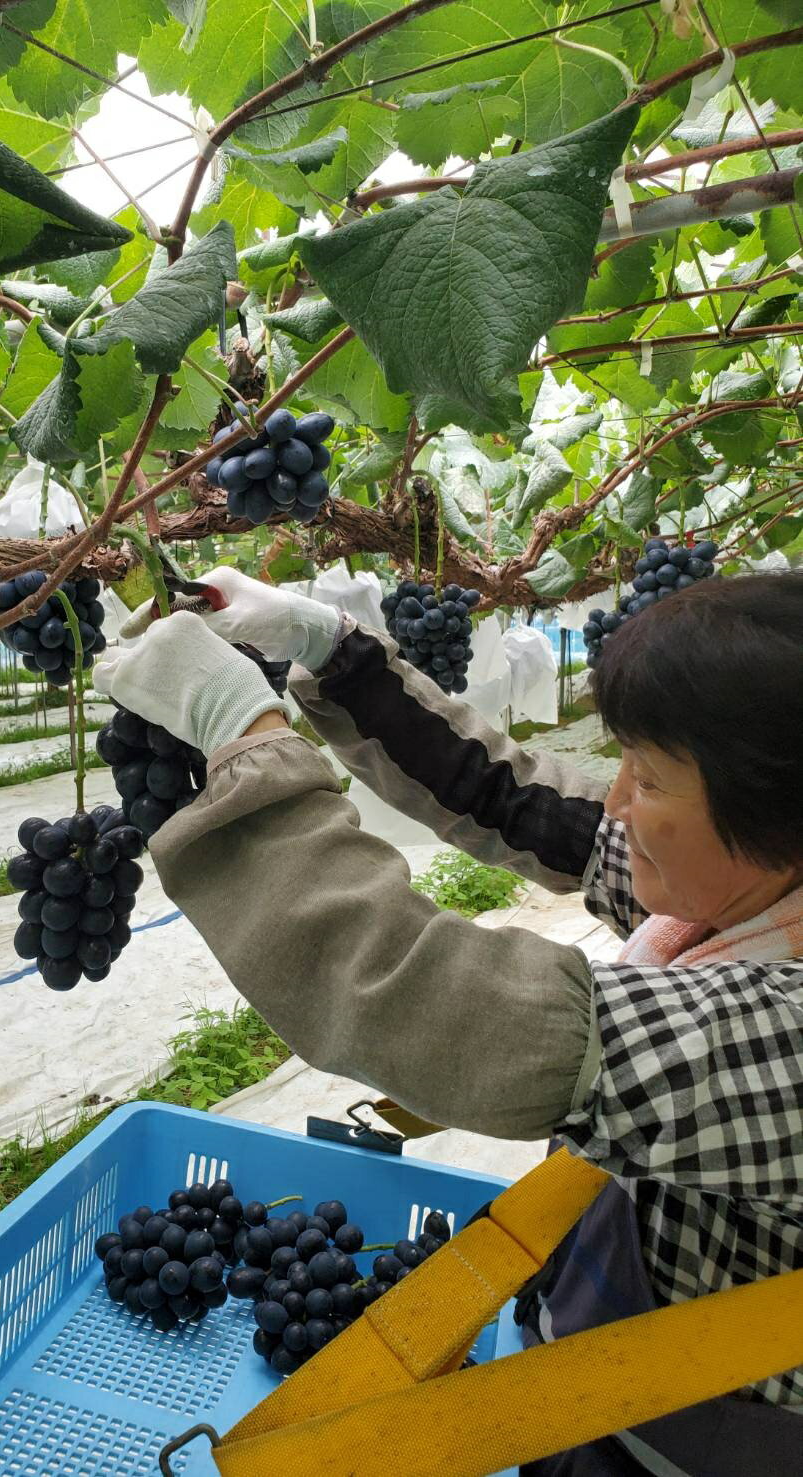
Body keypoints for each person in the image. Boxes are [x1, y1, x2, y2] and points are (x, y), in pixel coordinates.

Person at [92, 567, 803, 1476]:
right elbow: (510, 794)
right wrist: (330, 650)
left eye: (652, 778)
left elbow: (423, 995)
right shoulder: (748, 897)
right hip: (583, 1382)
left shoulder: (777, 1040)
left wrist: (245, 735)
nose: (617, 802)